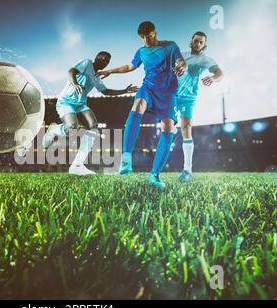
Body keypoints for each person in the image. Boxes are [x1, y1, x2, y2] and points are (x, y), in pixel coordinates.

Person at [98, 21, 187, 188]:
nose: (146, 40)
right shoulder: (141, 51)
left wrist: (182, 66)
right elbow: (130, 66)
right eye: (143, 37)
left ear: (155, 33)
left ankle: (155, 175)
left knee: (168, 127)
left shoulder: (170, 46)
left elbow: (181, 61)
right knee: (138, 104)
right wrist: (110, 71)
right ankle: (126, 159)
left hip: (168, 92)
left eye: (149, 36)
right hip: (148, 88)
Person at [42, 51, 137, 175]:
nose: (105, 63)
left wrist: (124, 90)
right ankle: (54, 130)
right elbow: (71, 71)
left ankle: (77, 165)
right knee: (71, 126)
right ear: (97, 58)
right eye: (103, 59)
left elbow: (106, 91)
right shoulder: (86, 63)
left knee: (94, 127)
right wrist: (75, 84)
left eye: (107, 61)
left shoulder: (97, 76)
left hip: (81, 104)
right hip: (66, 101)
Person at [177, 31, 224, 181]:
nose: (197, 44)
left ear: (204, 45)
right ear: (191, 41)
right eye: (196, 41)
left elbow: (219, 73)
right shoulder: (180, 55)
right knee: (167, 127)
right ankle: (156, 169)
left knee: (186, 128)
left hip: (188, 98)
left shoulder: (205, 60)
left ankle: (187, 170)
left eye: (201, 42)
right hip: (171, 95)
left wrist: (213, 78)